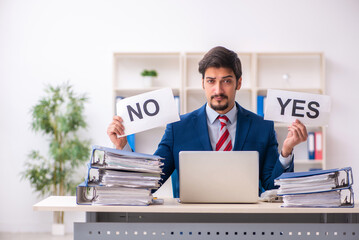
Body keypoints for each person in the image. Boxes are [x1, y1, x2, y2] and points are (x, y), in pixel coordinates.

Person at [107, 46, 308, 197]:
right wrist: (123, 147)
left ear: (239, 82)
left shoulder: (262, 127)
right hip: (191, 224)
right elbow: (150, 182)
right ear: (202, 83)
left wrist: (286, 151)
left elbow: (274, 188)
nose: (218, 90)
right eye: (211, 81)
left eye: (226, 81)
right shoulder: (178, 128)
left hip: (247, 223)